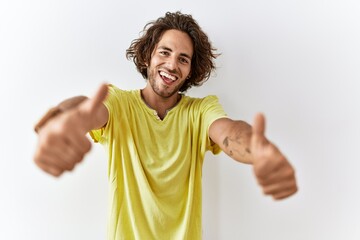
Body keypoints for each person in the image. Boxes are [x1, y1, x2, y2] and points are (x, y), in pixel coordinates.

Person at [33, 11, 297, 240]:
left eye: (183, 59)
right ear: (148, 56)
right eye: (165, 52)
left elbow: (228, 131)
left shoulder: (200, 110)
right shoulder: (119, 103)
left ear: (191, 70)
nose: (172, 64)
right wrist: (63, 118)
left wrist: (258, 150)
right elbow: (86, 110)